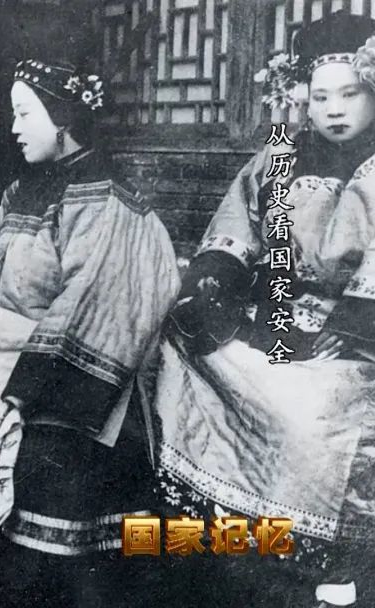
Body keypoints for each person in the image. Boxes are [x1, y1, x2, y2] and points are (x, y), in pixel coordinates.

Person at [0, 60, 180, 607]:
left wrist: (24, 392)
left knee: (44, 491)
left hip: (63, 374)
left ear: (62, 118)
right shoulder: (20, 192)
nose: (14, 128)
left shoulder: (109, 201)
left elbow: (94, 304)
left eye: (24, 114)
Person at [155, 11, 375, 607]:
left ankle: (309, 555)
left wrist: (355, 322)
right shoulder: (279, 159)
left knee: (314, 414)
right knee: (178, 353)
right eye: (320, 97)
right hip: (277, 318)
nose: (333, 110)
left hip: (350, 334)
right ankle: (226, 537)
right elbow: (235, 233)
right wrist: (214, 286)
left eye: (350, 94)